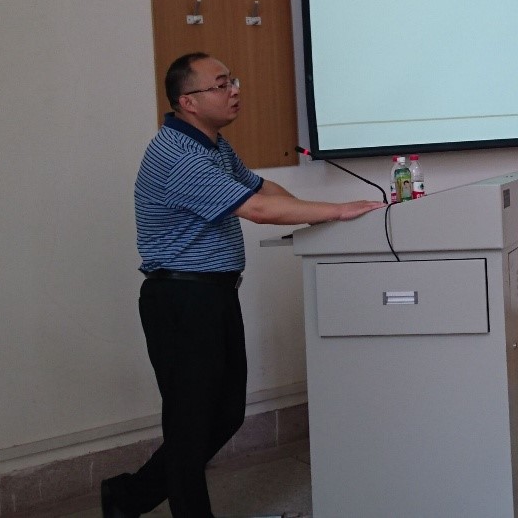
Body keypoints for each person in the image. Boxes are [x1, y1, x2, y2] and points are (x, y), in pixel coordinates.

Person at [102, 52, 383, 517]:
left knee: (226, 414)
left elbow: (261, 189)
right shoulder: (179, 155)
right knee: (190, 424)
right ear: (188, 101)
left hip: (211, 295)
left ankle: (127, 498)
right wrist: (337, 210)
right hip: (181, 300)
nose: (234, 91)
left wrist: (313, 214)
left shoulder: (212, 145)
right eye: (220, 84)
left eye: (232, 81)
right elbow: (258, 210)